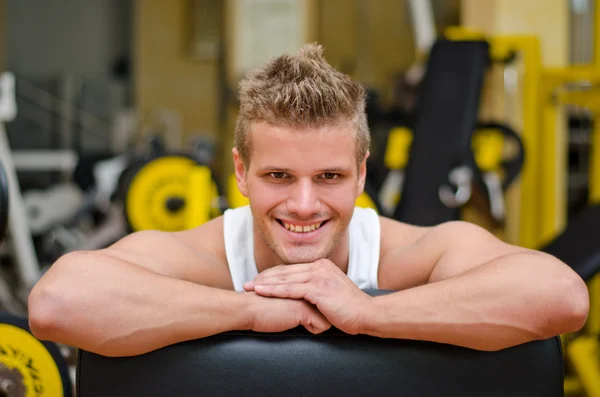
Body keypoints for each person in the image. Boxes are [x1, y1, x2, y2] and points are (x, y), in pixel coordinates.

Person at [28, 43, 588, 358]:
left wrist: (368, 313)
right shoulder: (202, 259)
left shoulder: (409, 255)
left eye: (328, 176)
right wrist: (253, 311)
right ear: (241, 173)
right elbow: (57, 304)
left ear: (361, 174)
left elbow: (560, 296)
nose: (302, 204)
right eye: (278, 175)